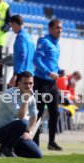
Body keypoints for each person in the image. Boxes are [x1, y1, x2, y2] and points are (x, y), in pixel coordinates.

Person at [0, 71, 42, 158]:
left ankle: (4, 149)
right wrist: (26, 99)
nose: (28, 86)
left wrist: (29, 132)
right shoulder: (8, 94)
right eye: (25, 83)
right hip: (0, 132)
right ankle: (7, 149)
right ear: (19, 84)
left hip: (18, 133)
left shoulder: (31, 96)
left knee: (37, 155)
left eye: (30, 83)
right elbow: (21, 116)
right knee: (23, 122)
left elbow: (34, 116)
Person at [32, 19, 65, 151]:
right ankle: (34, 143)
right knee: (38, 113)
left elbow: (54, 65)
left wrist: (59, 71)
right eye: (57, 28)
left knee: (54, 113)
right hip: (41, 83)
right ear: (50, 29)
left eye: (61, 28)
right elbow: (36, 59)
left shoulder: (57, 45)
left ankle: (51, 142)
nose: (60, 30)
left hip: (52, 84)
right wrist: (48, 72)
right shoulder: (44, 41)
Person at [8, 14, 35, 87]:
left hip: (22, 74)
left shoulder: (20, 37)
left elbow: (22, 55)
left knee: (15, 96)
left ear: (15, 23)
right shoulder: (29, 36)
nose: (12, 28)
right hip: (30, 73)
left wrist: (15, 74)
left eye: (12, 25)